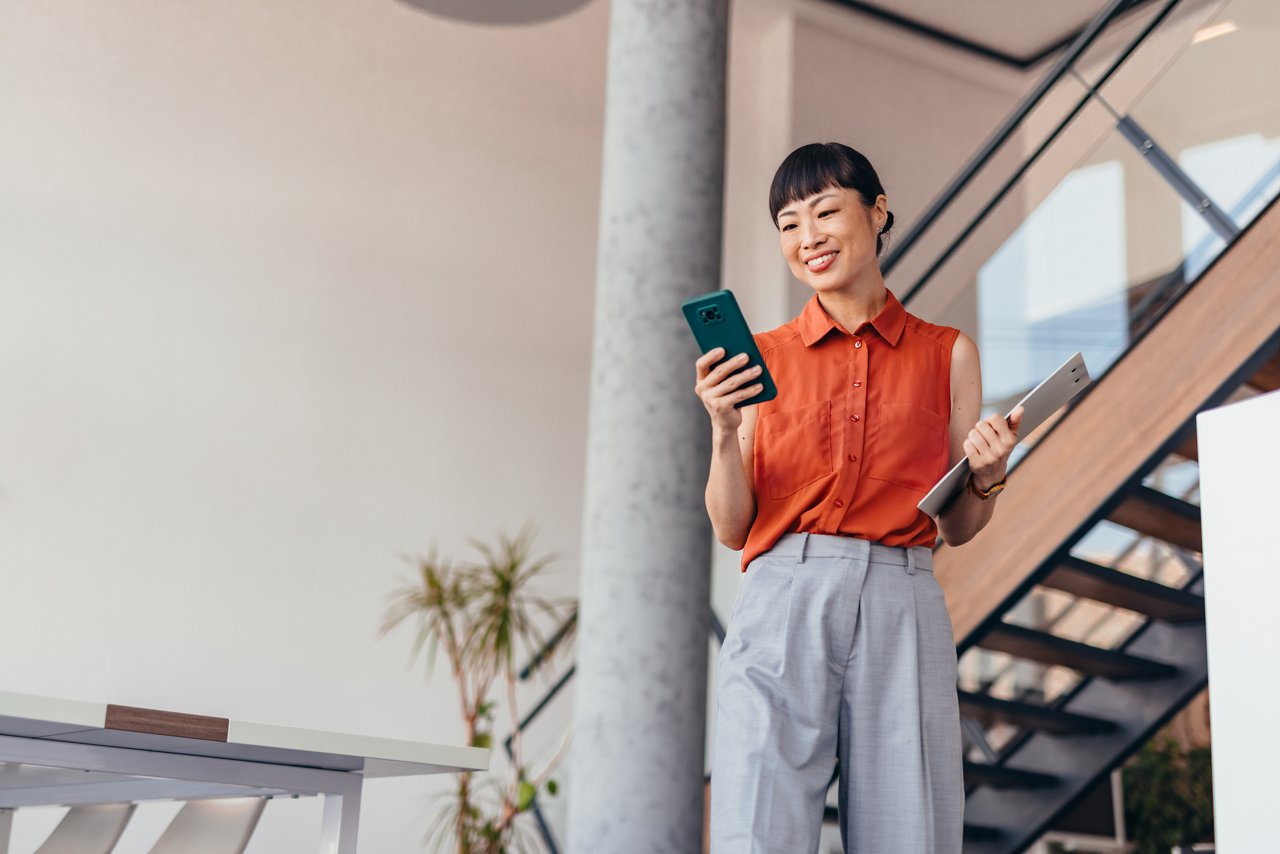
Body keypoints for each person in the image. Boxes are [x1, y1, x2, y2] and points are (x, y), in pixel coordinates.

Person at [696, 142, 1023, 853]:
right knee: (757, 821)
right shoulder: (762, 356)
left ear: (877, 213)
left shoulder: (948, 353)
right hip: (784, 590)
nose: (806, 236)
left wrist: (989, 473)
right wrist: (725, 432)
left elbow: (959, 526)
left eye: (824, 211)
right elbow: (731, 527)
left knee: (910, 828)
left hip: (901, 597)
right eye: (787, 222)